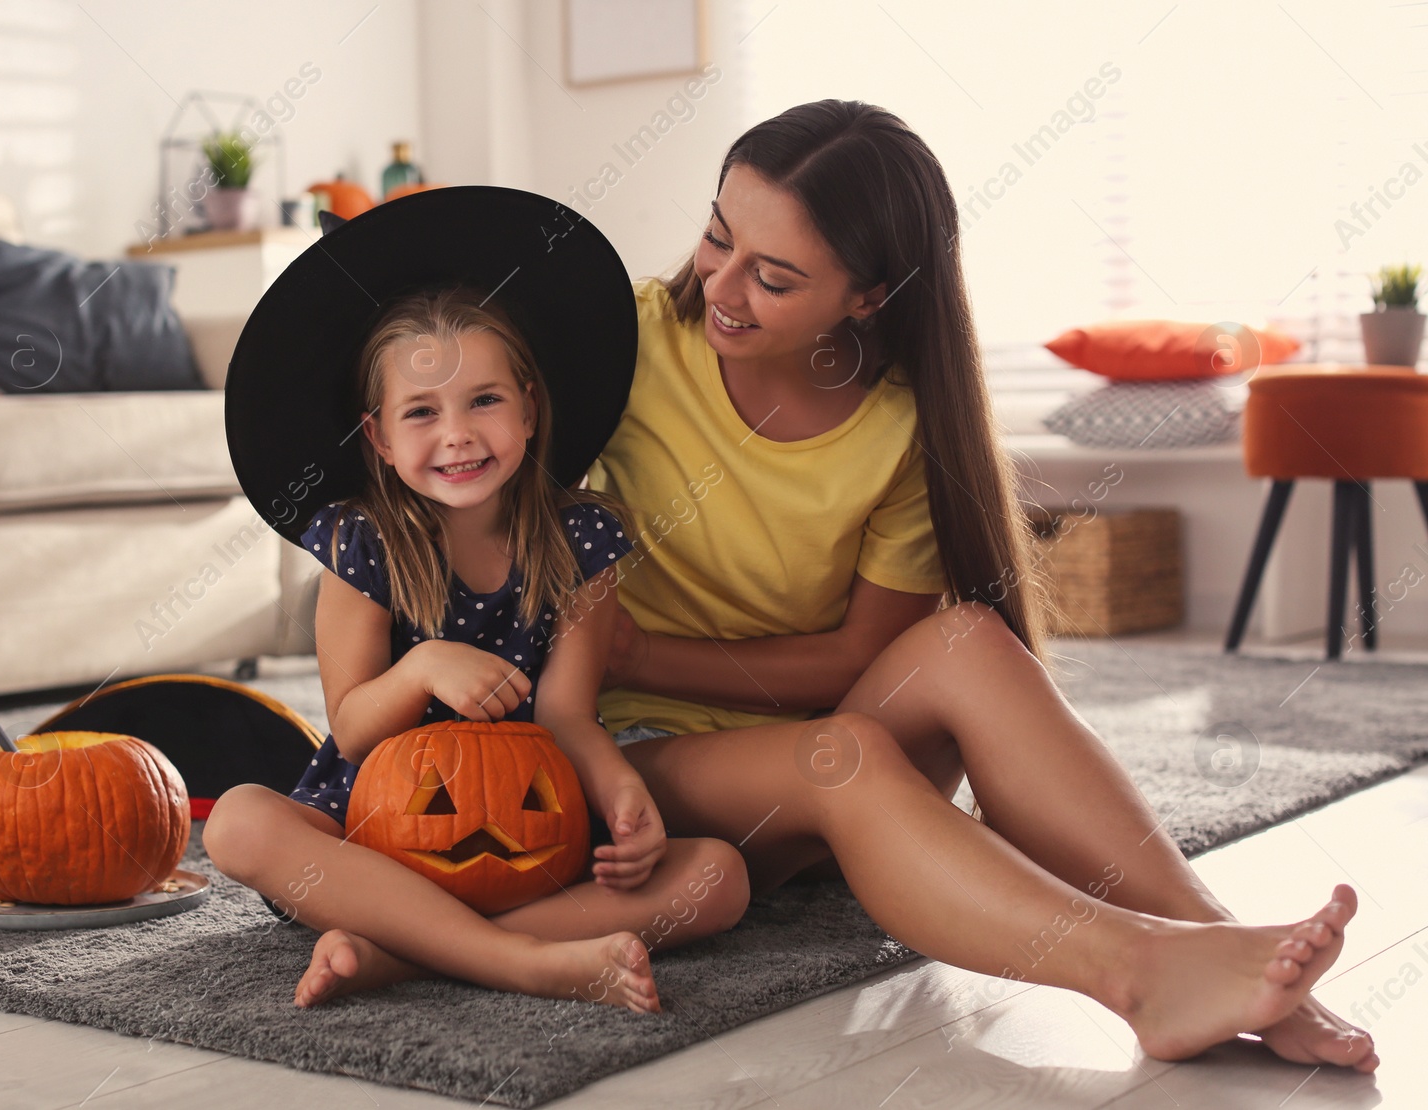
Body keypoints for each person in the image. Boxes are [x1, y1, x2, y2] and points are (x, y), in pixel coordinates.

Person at [583, 99, 1377, 1069]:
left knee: (964, 641)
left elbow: (853, 657)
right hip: (642, 757)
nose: (724, 285)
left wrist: (648, 644)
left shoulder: (898, 426)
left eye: (775, 277)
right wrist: (619, 658)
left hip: (809, 749)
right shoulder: (622, 342)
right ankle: (1138, 974)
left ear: (865, 298)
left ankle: (1216, 944)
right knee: (846, 752)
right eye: (717, 237)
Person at [206, 189, 749, 1014]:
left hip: (530, 832)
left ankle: (407, 949)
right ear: (382, 440)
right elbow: (351, 726)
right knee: (239, 822)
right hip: (370, 832)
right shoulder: (363, 544)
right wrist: (423, 666)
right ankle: (525, 960)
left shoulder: (582, 541)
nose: (457, 435)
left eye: (484, 401)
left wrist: (618, 792)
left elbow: (567, 715)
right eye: (422, 413)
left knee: (719, 876)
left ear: (529, 408)